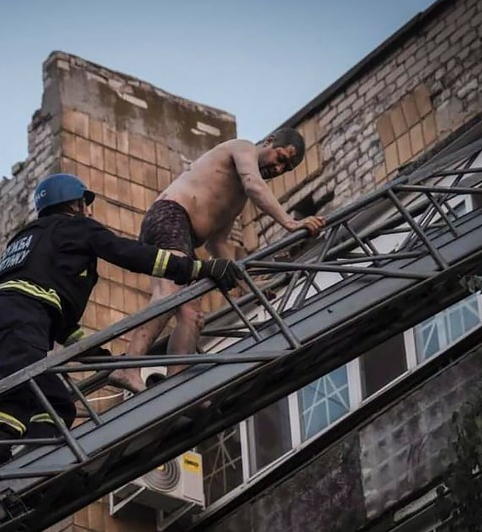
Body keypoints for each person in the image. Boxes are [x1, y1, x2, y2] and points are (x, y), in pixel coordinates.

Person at [0, 173, 242, 470]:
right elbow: (131, 255)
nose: (89, 211)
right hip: (24, 313)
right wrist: (197, 268)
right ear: (75, 204)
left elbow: (60, 323)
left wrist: (99, 356)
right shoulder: (76, 227)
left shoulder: (31, 238)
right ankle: (31, 465)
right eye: (86, 204)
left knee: (20, 390)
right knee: (54, 401)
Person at [109, 127, 326, 393]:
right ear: (269, 141)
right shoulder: (243, 148)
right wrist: (291, 223)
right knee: (169, 294)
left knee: (193, 316)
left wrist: (249, 286)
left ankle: (176, 386)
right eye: (280, 158)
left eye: (287, 168)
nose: (279, 169)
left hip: (183, 237)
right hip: (171, 217)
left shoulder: (237, 198)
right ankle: (128, 368)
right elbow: (254, 184)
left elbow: (216, 243)